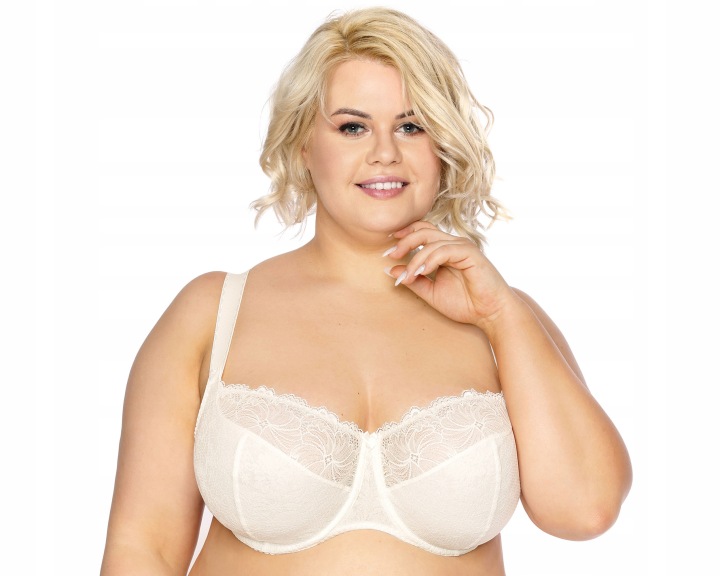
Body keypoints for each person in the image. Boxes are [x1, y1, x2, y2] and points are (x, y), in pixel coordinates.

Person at [100, 7, 632, 576]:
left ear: (442, 147)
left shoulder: (504, 319)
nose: (385, 152)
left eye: (412, 126)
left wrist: (501, 315)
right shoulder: (213, 312)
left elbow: (585, 511)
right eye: (353, 127)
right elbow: (143, 549)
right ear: (304, 146)